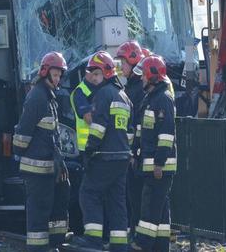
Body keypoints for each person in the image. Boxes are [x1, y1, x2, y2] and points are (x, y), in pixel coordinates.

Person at [72, 51, 133, 251]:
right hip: (122, 157)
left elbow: (99, 128)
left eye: (96, 74)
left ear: (106, 73)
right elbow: (128, 130)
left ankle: (93, 239)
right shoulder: (124, 96)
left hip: (104, 157)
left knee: (89, 193)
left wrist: (89, 149)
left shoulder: (103, 94)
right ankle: (119, 243)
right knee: (117, 200)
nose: (93, 79)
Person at [13, 52, 70, 251]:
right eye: (55, 75)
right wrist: (17, 150)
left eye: (59, 75)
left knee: (50, 212)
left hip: (47, 171)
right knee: (37, 217)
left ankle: (52, 246)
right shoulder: (37, 97)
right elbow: (23, 134)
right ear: (45, 72)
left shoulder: (49, 97)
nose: (57, 79)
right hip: (37, 172)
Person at [131, 55, 177, 252]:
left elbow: (166, 135)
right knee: (160, 211)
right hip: (150, 167)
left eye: (143, 75)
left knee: (149, 210)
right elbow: (143, 132)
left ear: (151, 75)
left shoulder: (163, 100)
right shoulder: (150, 99)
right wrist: (135, 153)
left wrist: (159, 163)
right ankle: (160, 247)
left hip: (159, 168)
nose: (141, 78)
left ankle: (143, 245)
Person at [115, 41, 147, 237]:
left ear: (134, 63)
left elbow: (134, 126)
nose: (120, 67)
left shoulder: (135, 91)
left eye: (123, 63)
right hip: (133, 153)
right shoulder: (131, 89)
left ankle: (137, 234)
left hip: (136, 154)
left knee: (136, 195)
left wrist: (132, 151)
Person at [70, 59, 104, 157]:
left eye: (98, 73)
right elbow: (89, 119)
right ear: (86, 72)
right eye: (94, 73)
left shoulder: (100, 88)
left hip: (101, 145)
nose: (96, 77)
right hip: (87, 147)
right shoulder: (80, 92)